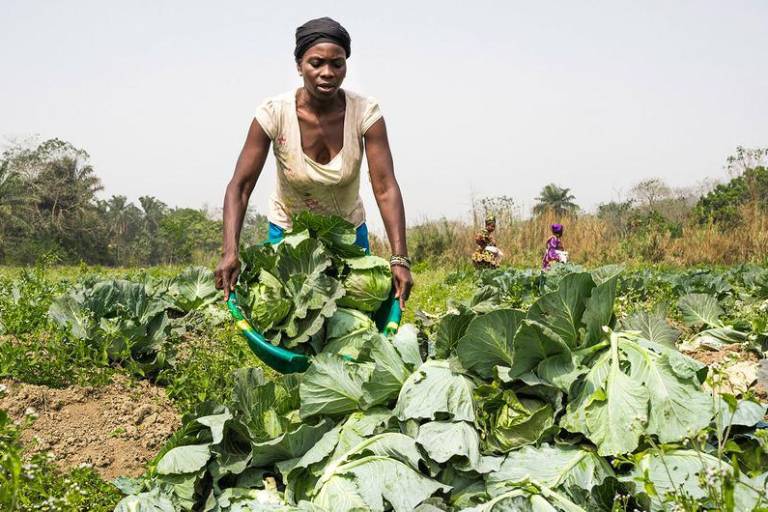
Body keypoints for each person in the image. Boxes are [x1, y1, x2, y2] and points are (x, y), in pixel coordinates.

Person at [214, 17, 413, 309]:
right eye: (316, 63)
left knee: (355, 316)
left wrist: (399, 258)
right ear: (299, 66)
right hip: (290, 236)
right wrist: (230, 251)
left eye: (337, 64)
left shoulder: (365, 113)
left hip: (347, 233)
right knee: (289, 316)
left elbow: (385, 187)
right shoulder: (274, 114)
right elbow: (240, 187)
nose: (327, 73)